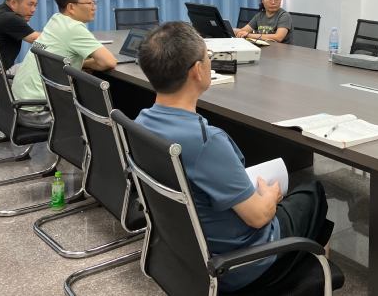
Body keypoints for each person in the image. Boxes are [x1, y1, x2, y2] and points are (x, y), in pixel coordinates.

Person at [136, 22, 332, 292]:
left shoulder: (141, 122)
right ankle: (312, 276)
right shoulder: (207, 142)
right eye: (208, 56)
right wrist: (270, 196)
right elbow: (259, 217)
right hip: (238, 265)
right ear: (197, 71)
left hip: (183, 253)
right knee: (313, 193)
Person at [11, 0, 117, 125]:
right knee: (105, 112)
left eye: (94, 2)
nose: (94, 7)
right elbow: (109, 62)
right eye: (89, 2)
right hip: (39, 110)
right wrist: (88, 64)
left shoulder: (56, 19)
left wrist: (82, 63)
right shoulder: (74, 28)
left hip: (21, 103)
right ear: (71, 7)